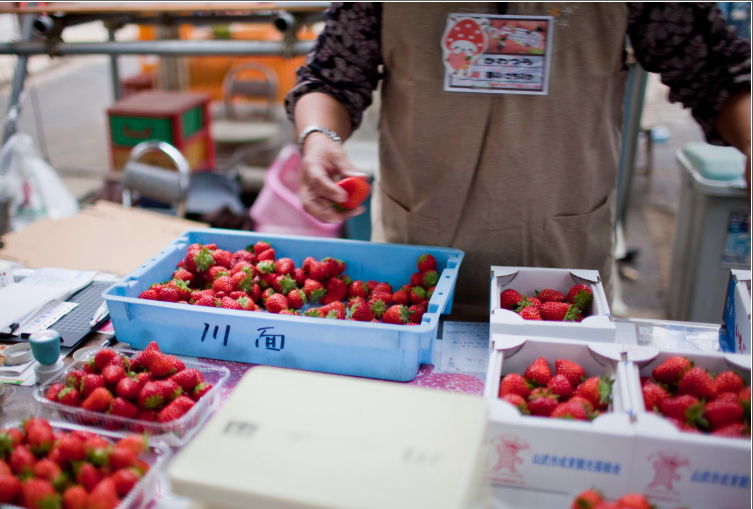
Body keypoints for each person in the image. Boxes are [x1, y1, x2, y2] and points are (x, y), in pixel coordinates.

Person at [286, 3, 751, 321]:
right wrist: (318, 138)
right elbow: (332, 73)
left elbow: (714, 70)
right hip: (415, 274)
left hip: (560, 272)